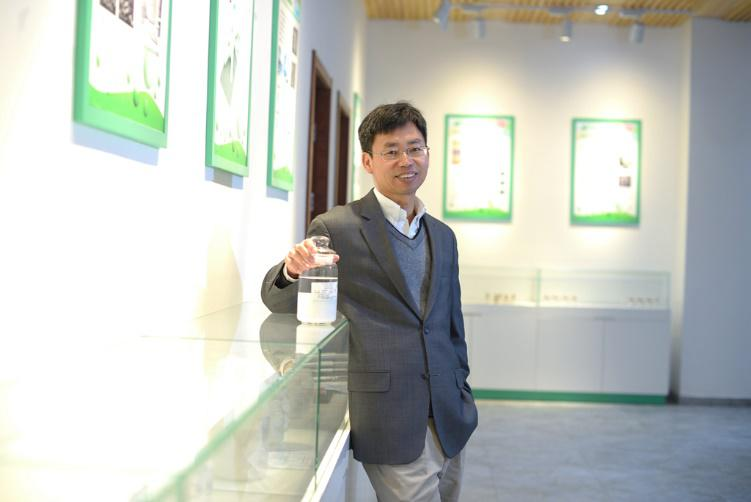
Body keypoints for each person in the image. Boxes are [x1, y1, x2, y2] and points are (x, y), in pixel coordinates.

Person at [261, 101, 477, 501]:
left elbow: (452, 323)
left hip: (449, 415)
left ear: (427, 153)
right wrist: (292, 269)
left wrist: (461, 386)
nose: (406, 160)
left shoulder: (443, 236)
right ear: (367, 161)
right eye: (391, 151)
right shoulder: (338, 227)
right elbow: (277, 299)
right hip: (388, 413)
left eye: (415, 148)